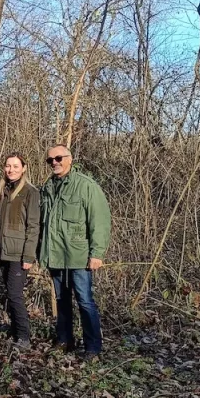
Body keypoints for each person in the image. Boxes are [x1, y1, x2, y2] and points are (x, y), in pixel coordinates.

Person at [39, 144, 112, 360]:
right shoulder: (48, 187)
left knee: (85, 301)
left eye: (59, 158)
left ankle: (92, 347)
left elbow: (99, 221)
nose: (54, 163)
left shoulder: (86, 186)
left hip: (79, 256)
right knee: (61, 300)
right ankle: (64, 340)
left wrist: (97, 253)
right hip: (56, 255)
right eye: (50, 160)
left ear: (70, 159)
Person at [0, 153, 41, 350]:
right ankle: (14, 330)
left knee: (14, 294)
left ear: (24, 168)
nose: (11, 169)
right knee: (10, 292)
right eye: (8, 166)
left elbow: (34, 225)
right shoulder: (1, 191)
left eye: (15, 166)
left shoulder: (30, 192)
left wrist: (29, 255)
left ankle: (24, 336)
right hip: (2, 251)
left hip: (19, 253)